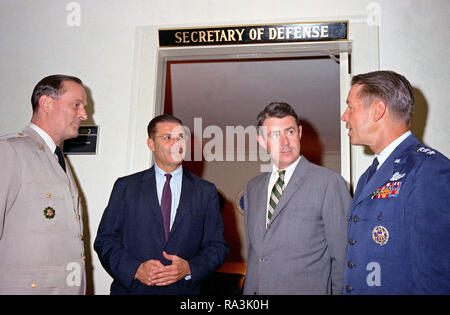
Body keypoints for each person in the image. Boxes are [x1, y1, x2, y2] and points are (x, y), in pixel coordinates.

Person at [341, 70, 450, 294]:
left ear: (378, 110)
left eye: (351, 107)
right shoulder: (368, 176)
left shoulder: (428, 169)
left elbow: (437, 276)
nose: (344, 116)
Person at [94, 114, 228, 294]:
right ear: (151, 144)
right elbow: (105, 241)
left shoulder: (206, 191)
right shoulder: (125, 187)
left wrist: (189, 268)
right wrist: (135, 270)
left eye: (180, 137)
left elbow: (217, 247)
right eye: (167, 137)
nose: (176, 143)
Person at [243, 102, 351, 295]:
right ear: (261, 141)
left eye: (290, 132)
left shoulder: (329, 183)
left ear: (299, 133)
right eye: (275, 135)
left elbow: (343, 257)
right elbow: (256, 254)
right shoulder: (253, 188)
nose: (285, 142)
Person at [0, 74, 88, 294]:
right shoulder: (10, 150)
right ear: (46, 103)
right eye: (76, 105)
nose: (84, 114)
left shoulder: (58, 158)